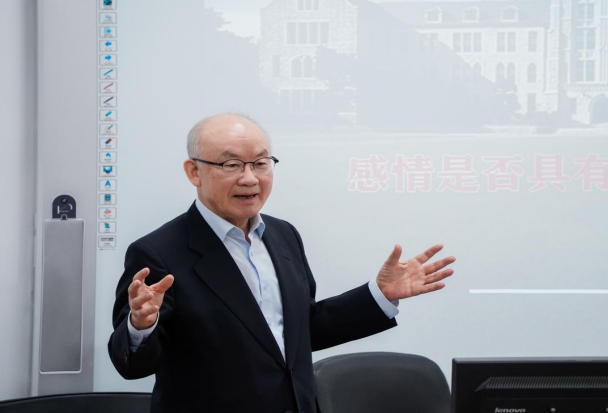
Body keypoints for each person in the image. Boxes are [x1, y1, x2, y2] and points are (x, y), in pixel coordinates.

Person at [108, 113, 455, 413]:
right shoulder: (157, 252)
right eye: (231, 165)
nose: (250, 178)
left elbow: (300, 330)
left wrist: (379, 295)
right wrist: (140, 326)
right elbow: (132, 365)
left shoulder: (283, 234)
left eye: (260, 163)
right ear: (194, 171)